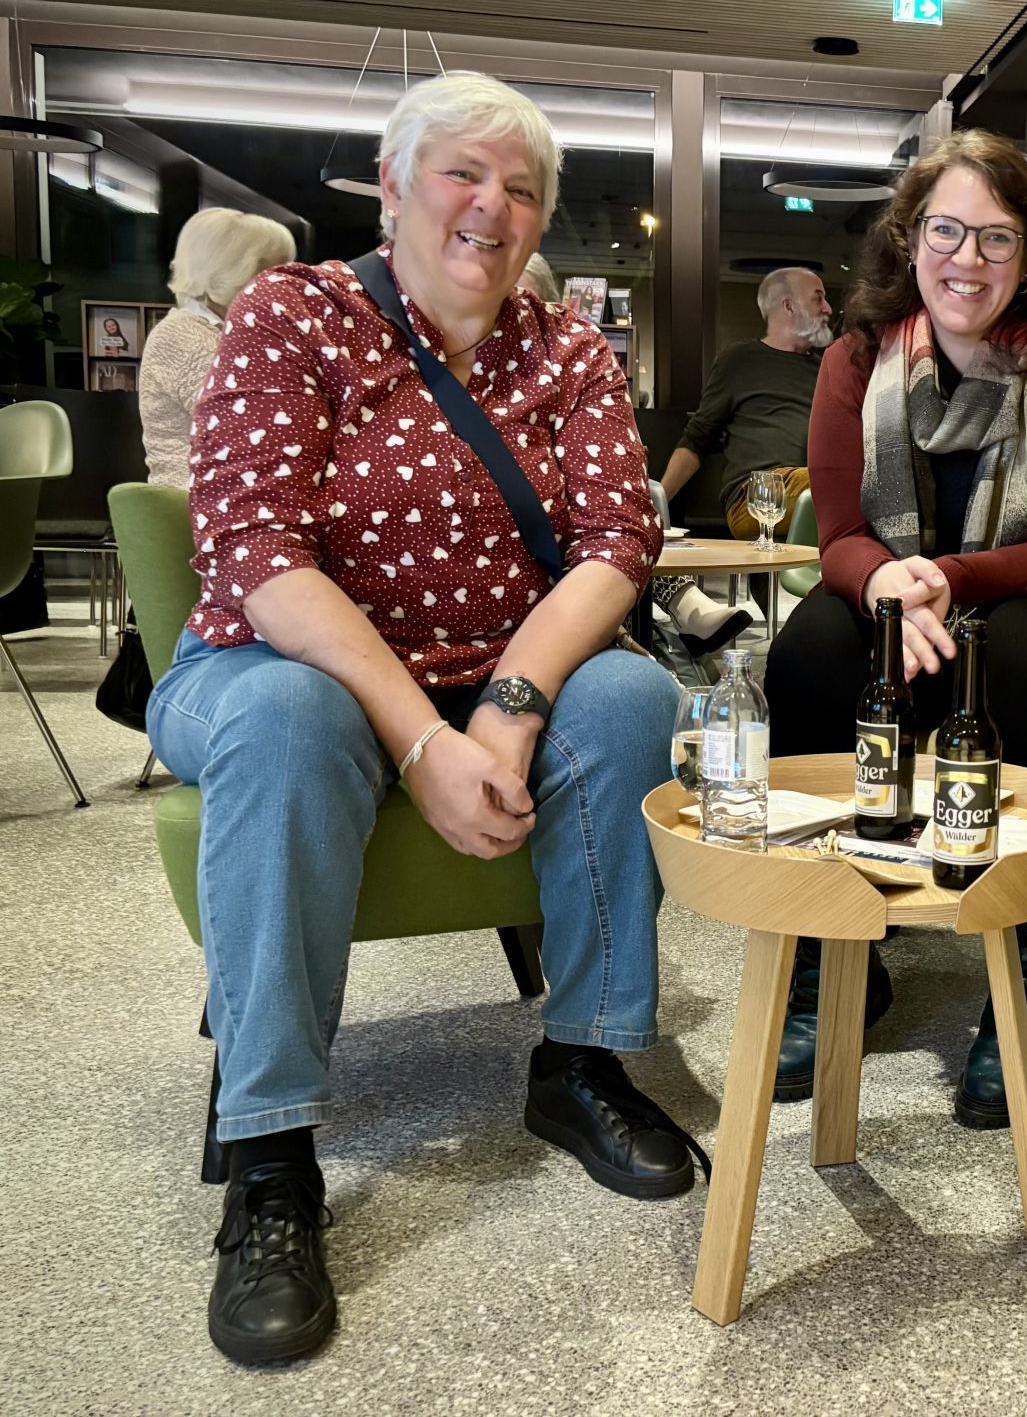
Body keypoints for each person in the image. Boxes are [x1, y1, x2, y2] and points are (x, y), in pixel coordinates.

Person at [146, 71, 699, 1367]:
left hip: (489, 668)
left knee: (629, 694)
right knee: (289, 717)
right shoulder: (294, 317)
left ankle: (583, 1062)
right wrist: (423, 739)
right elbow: (257, 550)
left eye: (521, 189)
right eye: (461, 172)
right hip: (272, 661)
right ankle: (274, 1151)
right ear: (391, 188)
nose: (490, 207)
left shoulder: (566, 346)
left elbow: (619, 541)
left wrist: (506, 711)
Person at [762, 129, 1027, 1127]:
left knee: (1013, 658)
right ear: (909, 240)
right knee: (813, 649)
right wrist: (895, 590)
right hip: (912, 605)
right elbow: (842, 538)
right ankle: (834, 954)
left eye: (998, 239)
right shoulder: (855, 359)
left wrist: (939, 579)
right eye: (946, 231)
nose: (968, 260)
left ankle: (1025, 972)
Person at [659, 265, 833, 540]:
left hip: (814, 488)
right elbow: (697, 438)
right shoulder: (739, 361)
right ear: (789, 306)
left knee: (852, 479)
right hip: (756, 494)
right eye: (818, 298)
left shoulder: (826, 368)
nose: (828, 308)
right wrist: (655, 507)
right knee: (839, 481)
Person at [139, 209, 298, 487]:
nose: (291, 284)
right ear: (232, 271)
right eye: (275, 271)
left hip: (238, 493)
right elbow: (253, 427)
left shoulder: (231, 331)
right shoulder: (183, 336)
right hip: (203, 503)